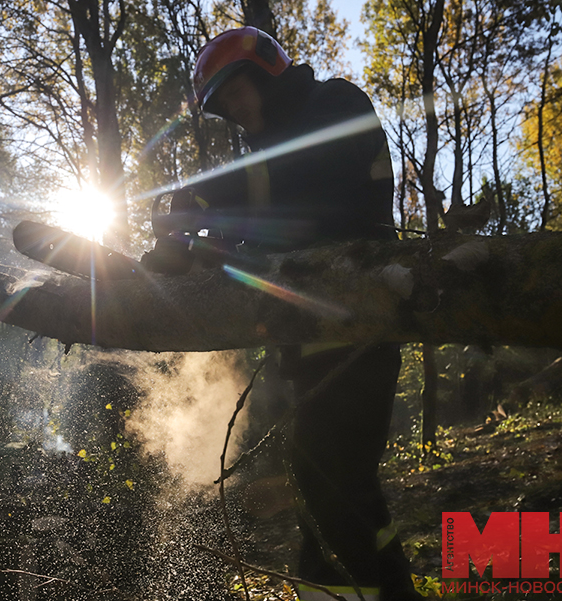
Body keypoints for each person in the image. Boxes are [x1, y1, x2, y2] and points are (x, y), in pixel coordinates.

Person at [185, 27, 422, 601]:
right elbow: (267, 221)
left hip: (359, 325)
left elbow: (313, 201)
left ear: (269, 70)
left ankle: (390, 593)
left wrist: (219, 208)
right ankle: (339, 591)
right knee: (327, 487)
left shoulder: (334, 105)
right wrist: (192, 233)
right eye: (225, 109)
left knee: (328, 481)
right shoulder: (265, 153)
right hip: (312, 344)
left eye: (238, 94)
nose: (238, 114)